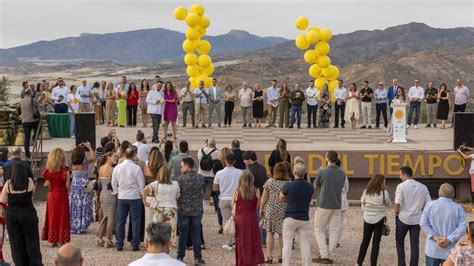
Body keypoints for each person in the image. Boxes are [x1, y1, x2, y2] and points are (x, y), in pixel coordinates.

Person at [1, 162, 42, 265]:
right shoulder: (29, 181)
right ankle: (34, 263)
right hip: (28, 212)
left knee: (16, 243)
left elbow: (4, 200)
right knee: (32, 241)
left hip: (12, 214)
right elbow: (32, 194)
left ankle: (20, 263)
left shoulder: (8, 184)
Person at [313, 150, 347, 264]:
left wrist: (319, 173)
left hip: (324, 204)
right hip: (337, 205)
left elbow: (316, 185)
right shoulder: (342, 173)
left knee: (319, 229)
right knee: (334, 231)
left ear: (327, 158)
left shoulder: (322, 171)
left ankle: (324, 254)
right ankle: (331, 254)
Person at [420, 183, 466, 265]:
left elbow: (423, 223)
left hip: (433, 249)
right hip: (451, 251)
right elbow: (462, 228)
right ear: (453, 194)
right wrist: (449, 239)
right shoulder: (458, 208)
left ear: (439, 192)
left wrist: (435, 237)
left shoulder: (430, 205)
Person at [395, 166, 432, 266]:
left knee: (399, 242)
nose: (400, 177)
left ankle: (401, 264)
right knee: (415, 244)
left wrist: (396, 213)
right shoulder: (423, 187)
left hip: (403, 218)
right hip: (417, 219)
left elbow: (397, 202)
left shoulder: (401, 186)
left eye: (400, 174)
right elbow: (429, 204)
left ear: (404, 174)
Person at [112, 148, 145, 251]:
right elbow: (141, 184)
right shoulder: (137, 168)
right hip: (134, 196)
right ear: (133, 155)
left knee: (121, 221)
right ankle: (135, 244)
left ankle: (119, 243)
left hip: (122, 196)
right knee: (135, 220)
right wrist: (141, 194)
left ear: (125, 155)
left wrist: (117, 192)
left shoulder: (117, 167)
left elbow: (113, 182)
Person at [280, 163, 313, 266]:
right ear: (304, 173)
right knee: (305, 244)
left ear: (294, 173)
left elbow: (281, 198)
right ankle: (306, 264)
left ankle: (286, 264)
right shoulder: (309, 186)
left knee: (287, 244)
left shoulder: (288, 185)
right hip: (303, 218)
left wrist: (287, 200)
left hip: (290, 217)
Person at [142, 165, 180, 253]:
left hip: (159, 209)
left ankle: (158, 250)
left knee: (157, 232)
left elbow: (144, 190)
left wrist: (144, 201)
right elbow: (178, 196)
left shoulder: (156, 184)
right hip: (172, 210)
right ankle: (171, 253)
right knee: (172, 232)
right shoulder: (175, 184)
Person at [357, 174, 392, 266]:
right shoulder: (384, 193)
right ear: (382, 182)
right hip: (379, 219)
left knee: (365, 241)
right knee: (376, 244)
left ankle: (359, 262)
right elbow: (388, 205)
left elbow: (362, 202)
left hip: (367, 218)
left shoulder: (366, 191)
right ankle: (373, 264)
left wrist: (366, 211)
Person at [176, 157, 206, 264]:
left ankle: (180, 256)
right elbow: (203, 190)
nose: (181, 168)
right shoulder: (200, 178)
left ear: (187, 166)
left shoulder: (180, 179)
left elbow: (177, 194)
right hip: (197, 210)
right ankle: (198, 257)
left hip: (183, 210)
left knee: (183, 233)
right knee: (196, 233)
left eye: (182, 166)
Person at [233, 170, 265, 266]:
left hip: (240, 218)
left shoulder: (237, 192)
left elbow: (233, 206)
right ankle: (253, 260)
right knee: (253, 240)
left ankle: (242, 262)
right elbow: (257, 206)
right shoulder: (256, 191)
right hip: (252, 218)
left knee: (241, 242)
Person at [260, 162, 288, 263]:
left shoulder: (269, 182)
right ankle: (281, 255)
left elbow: (264, 197)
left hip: (270, 210)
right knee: (282, 234)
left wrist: (261, 208)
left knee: (270, 233)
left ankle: (269, 256)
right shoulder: (287, 183)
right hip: (283, 211)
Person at [41, 148, 70, 247]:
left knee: (52, 216)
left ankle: (53, 240)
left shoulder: (48, 170)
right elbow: (67, 185)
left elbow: (47, 183)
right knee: (62, 217)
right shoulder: (65, 170)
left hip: (52, 195)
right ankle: (61, 240)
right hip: (62, 195)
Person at [213, 153, 242, 250]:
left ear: (225, 161)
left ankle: (230, 242)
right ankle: (237, 241)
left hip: (224, 198)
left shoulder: (219, 173)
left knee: (227, 221)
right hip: (236, 198)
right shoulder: (240, 172)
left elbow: (215, 188)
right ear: (234, 161)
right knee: (237, 220)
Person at [243, 150, 268, 245]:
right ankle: (264, 240)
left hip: (255, 197)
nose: (244, 161)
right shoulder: (262, 168)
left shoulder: (249, 171)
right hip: (264, 195)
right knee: (262, 219)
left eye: (245, 159)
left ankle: (260, 241)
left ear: (249, 159)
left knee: (257, 218)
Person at [69, 143, 95, 234]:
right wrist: (90, 147)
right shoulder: (84, 161)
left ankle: (74, 225)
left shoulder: (71, 162)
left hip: (74, 185)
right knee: (83, 204)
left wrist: (76, 148)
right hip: (83, 184)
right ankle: (82, 225)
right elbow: (93, 157)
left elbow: (74, 153)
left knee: (75, 205)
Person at [197, 138, 222, 231]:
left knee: (201, 192)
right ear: (214, 144)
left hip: (201, 174)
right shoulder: (217, 152)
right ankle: (216, 207)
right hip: (212, 175)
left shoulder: (200, 151)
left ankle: (200, 207)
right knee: (215, 193)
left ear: (207, 143)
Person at [96, 152, 119, 248]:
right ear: (108, 157)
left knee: (105, 218)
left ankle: (99, 238)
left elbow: (100, 183)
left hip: (103, 194)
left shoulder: (100, 168)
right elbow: (115, 184)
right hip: (111, 195)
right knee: (110, 219)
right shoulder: (113, 169)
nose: (116, 158)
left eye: (117, 157)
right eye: (115, 156)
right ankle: (108, 240)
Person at [20, 87, 39, 159]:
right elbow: (39, 104)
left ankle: (27, 154)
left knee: (26, 138)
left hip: (24, 120)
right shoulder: (32, 100)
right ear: (30, 93)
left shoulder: (21, 100)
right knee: (39, 129)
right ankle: (34, 137)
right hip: (32, 120)